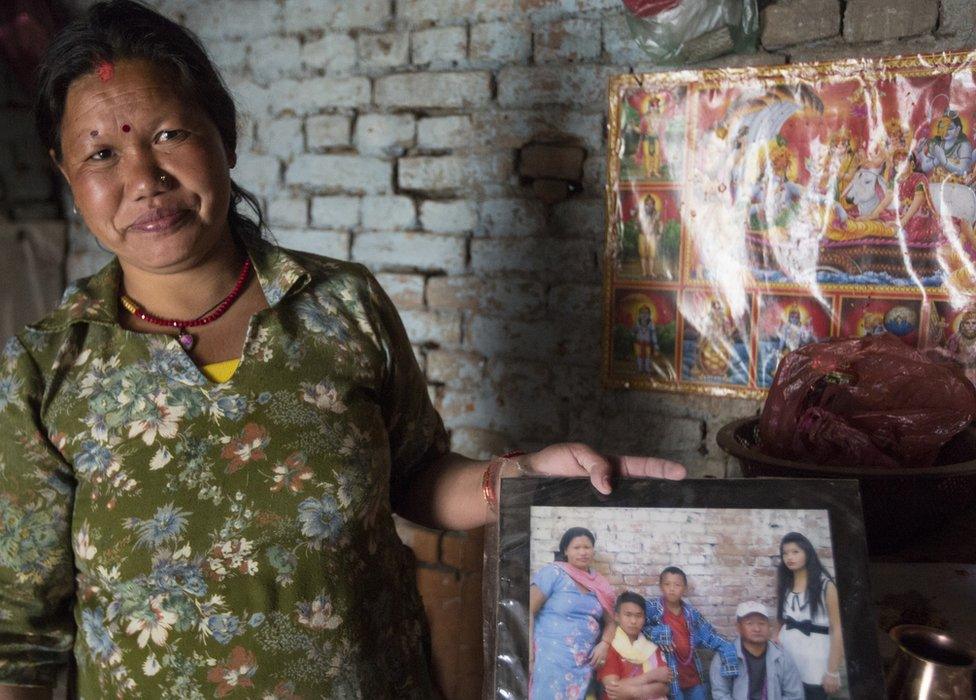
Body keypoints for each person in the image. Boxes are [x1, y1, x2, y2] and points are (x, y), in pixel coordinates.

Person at [0, 2, 686, 698]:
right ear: (66, 173)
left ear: (225, 137)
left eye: (171, 133)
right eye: (102, 153)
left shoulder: (339, 306)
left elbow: (414, 472)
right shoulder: (48, 371)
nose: (145, 177)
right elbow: (17, 637)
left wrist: (524, 474)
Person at [530, 528, 617, 700]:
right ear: (565, 551)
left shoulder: (600, 584)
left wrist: (604, 644)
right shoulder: (553, 573)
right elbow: (528, 611)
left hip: (583, 664)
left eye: (587, 547)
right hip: (549, 659)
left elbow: (612, 621)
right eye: (576, 548)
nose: (583, 552)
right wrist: (530, 656)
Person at [644, 566, 740, 700]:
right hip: (670, 679)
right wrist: (658, 633)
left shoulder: (691, 614)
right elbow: (639, 628)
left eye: (677, 585)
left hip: (693, 676)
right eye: (667, 584)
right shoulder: (652, 608)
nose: (672, 589)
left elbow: (710, 636)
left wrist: (728, 650)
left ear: (684, 588)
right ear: (661, 586)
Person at [775, 533, 844, 699]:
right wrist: (775, 641)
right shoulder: (785, 583)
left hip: (815, 662)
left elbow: (837, 629)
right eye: (785, 553)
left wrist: (832, 671)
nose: (789, 557)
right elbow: (781, 619)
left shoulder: (826, 586)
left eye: (795, 552)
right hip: (788, 657)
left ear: (807, 552)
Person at [710, 601, 804, 700]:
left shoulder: (781, 657)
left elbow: (794, 694)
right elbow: (720, 694)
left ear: (769, 626)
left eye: (762, 623)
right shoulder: (726, 657)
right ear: (738, 627)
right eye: (749, 623)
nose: (757, 629)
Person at [597, 591, 670, 700]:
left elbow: (664, 688)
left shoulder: (651, 646)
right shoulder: (610, 648)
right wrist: (650, 678)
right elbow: (613, 690)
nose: (633, 621)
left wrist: (631, 690)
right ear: (617, 617)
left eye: (638, 616)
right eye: (628, 615)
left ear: (644, 618)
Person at [632, 305, 659, 374]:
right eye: (642, 313)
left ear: (649, 315)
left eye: (646, 313)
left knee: (647, 357)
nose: (644, 315)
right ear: (639, 315)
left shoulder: (651, 324)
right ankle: (640, 368)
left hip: (647, 343)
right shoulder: (637, 324)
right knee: (639, 357)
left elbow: (653, 335)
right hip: (638, 343)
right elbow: (632, 333)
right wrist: (634, 330)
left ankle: (647, 369)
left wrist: (655, 344)